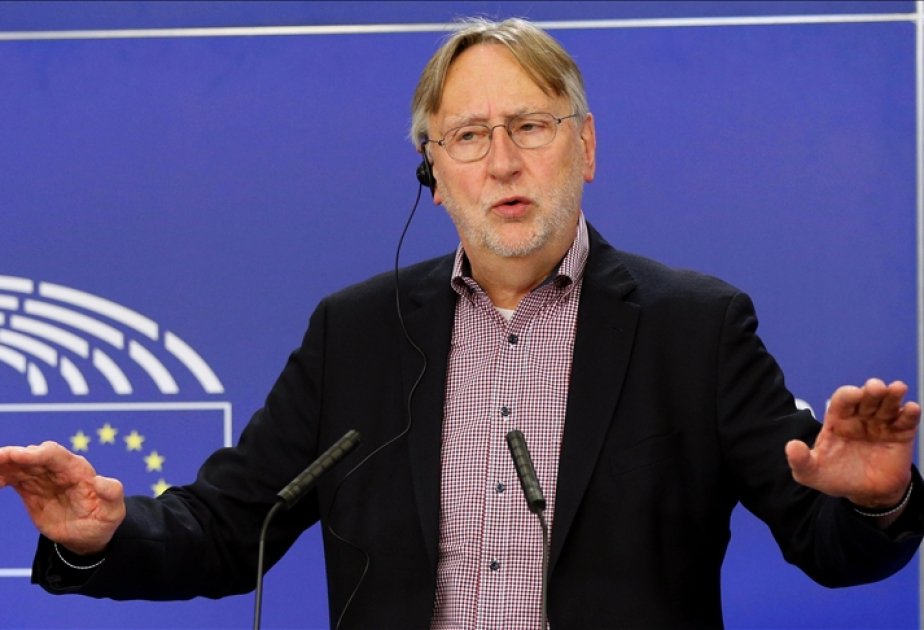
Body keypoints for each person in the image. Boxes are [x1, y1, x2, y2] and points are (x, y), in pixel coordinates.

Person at [1, 17, 922, 630]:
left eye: (532, 125)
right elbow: (228, 527)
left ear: (586, 147)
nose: (503, 161)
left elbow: (827, 545)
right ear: (432, 174)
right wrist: (102, 533)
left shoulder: (696, 328)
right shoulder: (355, 334)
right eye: (470, 136)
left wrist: (874, 500)